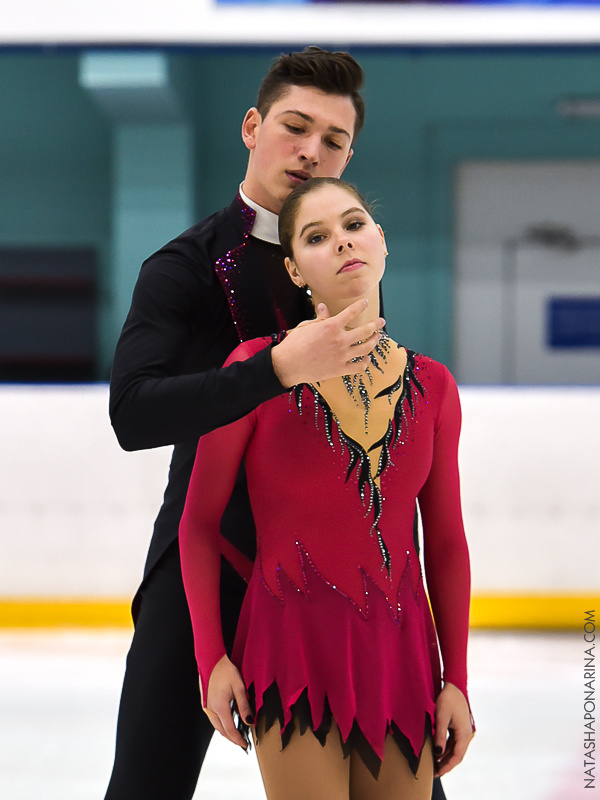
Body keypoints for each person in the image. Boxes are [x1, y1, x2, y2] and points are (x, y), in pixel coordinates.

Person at [105, 47, 387, 800]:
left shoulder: (352, 264)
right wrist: (274, 370)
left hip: (336, 580)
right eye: (296, 127)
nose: (311, 150)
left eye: (333, 140)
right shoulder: (185, 267)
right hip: (209, 565)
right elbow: (132, 412)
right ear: (252, 126)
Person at [179, 177, 474, 800]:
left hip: (401, 657)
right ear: (294, 268)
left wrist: (458, 680)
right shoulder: (255, 371)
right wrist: (212, 660)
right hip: (291, 650)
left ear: (382, 241)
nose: (343, 243)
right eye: (317, 237)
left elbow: (446, 541)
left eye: (354, 224)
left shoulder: (437, 387)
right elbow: (198, 524)